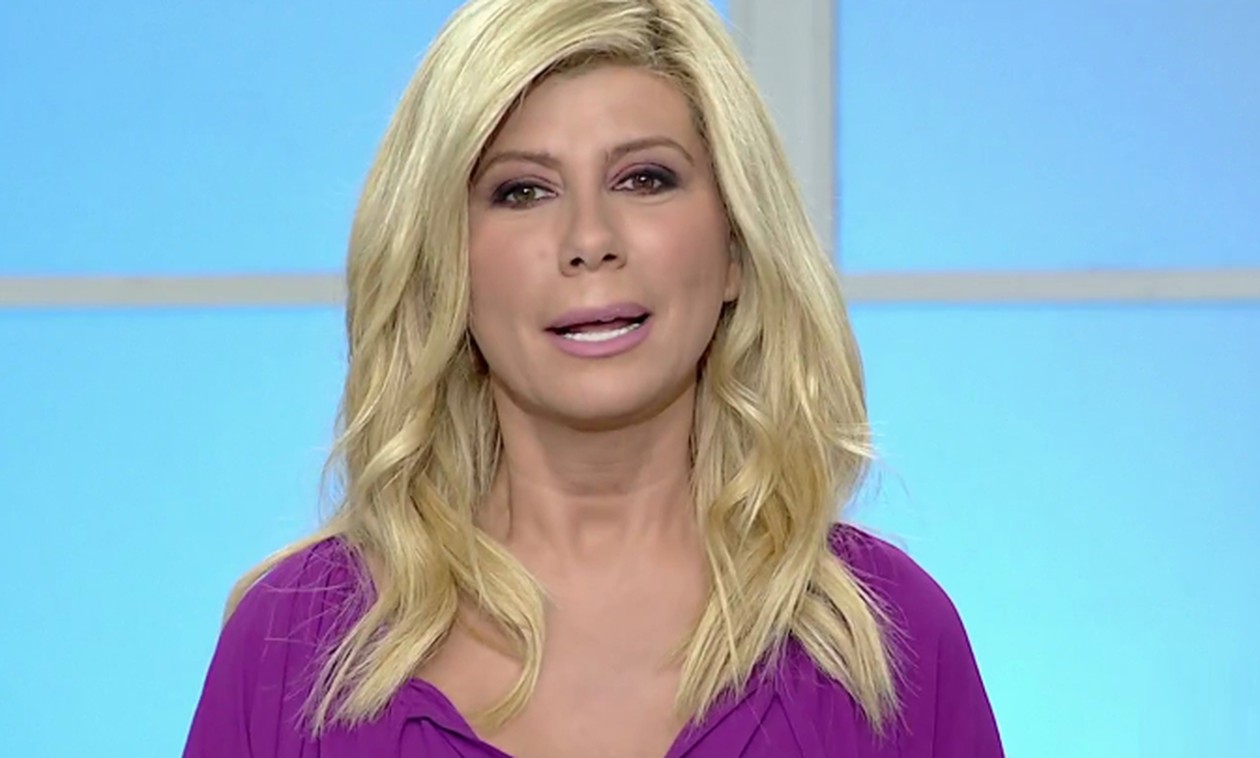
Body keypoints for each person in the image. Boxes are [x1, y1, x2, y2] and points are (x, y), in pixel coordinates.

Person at [183, 0, 1004, 755]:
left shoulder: (886, 642)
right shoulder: (291, 646)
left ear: (734, 245)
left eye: (644, 179)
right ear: (446, 264)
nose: (588, 239)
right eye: (522, 191)